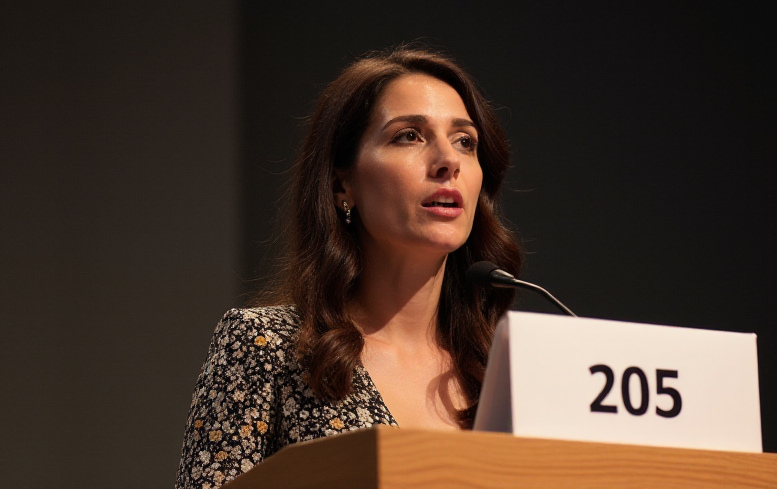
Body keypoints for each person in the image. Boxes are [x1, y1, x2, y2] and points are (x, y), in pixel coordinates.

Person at [175, 45, 523, 489]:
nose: (448, 162)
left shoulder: (503, 374)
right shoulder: (267, 347)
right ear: (343, 184)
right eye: (409, 136)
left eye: (465, 142)